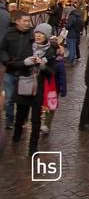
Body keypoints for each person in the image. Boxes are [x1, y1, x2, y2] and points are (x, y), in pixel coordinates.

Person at [12, 23, 56, 155]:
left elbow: (51, 73)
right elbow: (16, 64)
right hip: (24, 86)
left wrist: (43, 67)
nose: (38, 35)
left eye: (41, 33)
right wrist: (25, 63)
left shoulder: (50, 52)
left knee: (36, 120)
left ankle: (33, 147)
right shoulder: (27, 47)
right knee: (20, 115)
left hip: (38, 90)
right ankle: (16, 137)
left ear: (46, 36)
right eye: (37, 33)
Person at [0, 10, 34, 129]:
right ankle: (10, 120)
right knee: (9, 99)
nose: (27, 23)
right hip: (10, 71)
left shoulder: (32, 35)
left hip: (25, 73)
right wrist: (6, 60)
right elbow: (2, 49)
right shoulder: (9, 33)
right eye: (25, 21)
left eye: (28, 21)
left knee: (23, 100)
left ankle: (21, 120)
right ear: (17, 21)